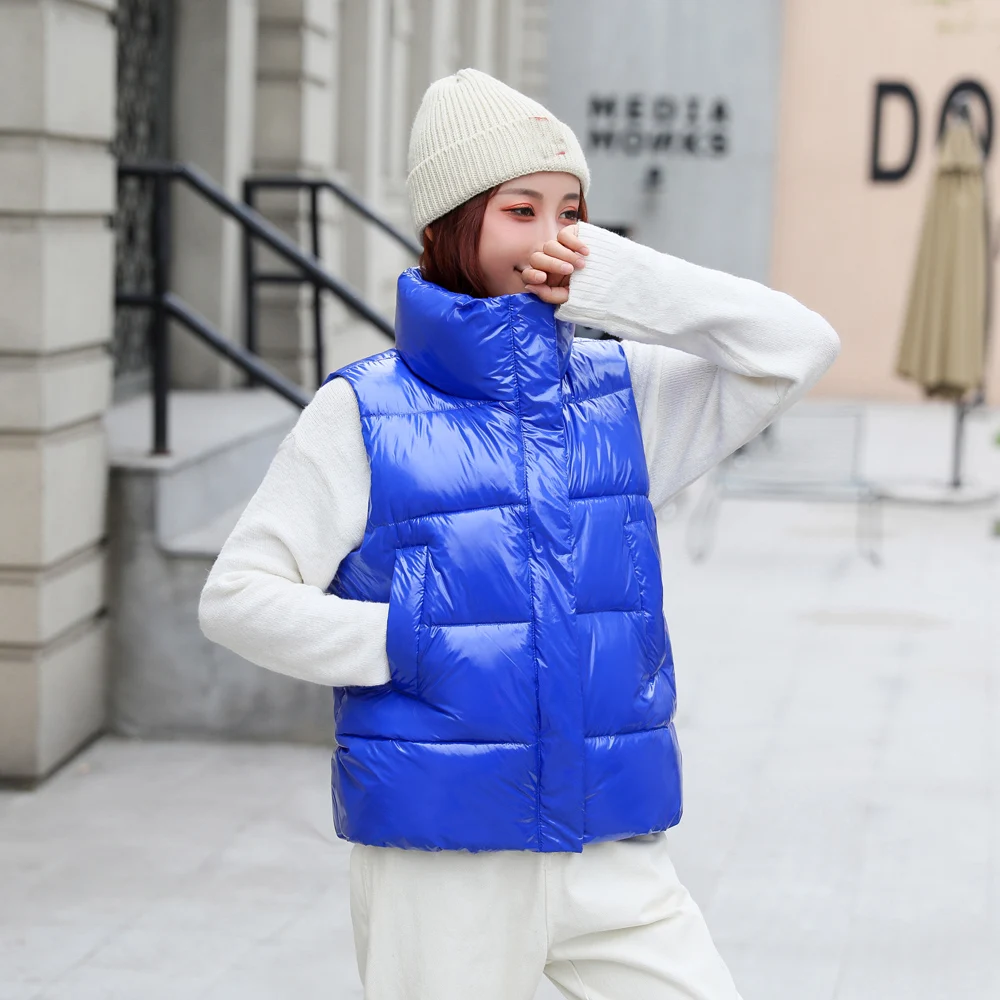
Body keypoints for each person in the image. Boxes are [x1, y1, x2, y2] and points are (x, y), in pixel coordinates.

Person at [199, 68, 840, 1000]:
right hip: (441, 854)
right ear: (449, 226)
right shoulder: (363, 412)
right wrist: (403, 640)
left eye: (570, 212)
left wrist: (619, 279)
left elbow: (798, 346)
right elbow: (236, 598)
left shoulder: (624, 396)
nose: (552, 238)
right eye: (520, 210)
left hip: (610, 844)